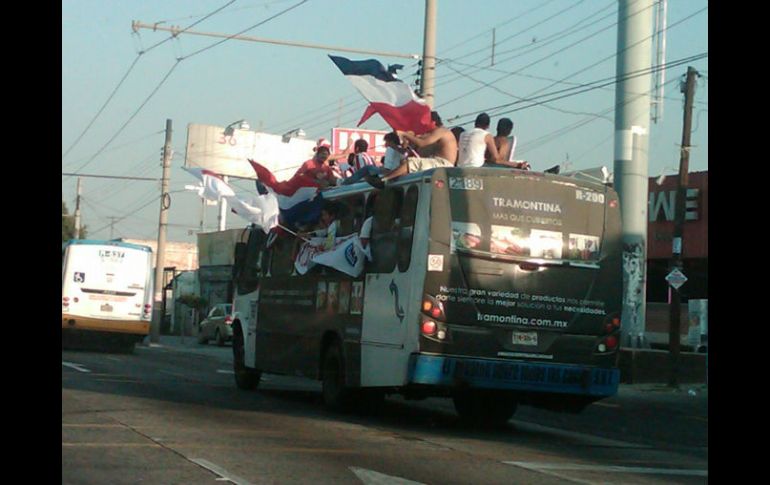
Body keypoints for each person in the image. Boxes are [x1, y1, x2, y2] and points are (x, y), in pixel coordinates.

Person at [378, 111, 457, 183]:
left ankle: (383, 180)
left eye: (425, 122)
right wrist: (407, 140)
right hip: (434, 162)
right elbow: (410, 149)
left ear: (433, 122)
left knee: (411, 163)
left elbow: (422, 143)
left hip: (443, 164)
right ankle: (392, 179)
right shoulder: (429, 134)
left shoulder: (441, 131)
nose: (423, 124)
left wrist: (404, 134)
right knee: (405, 162)